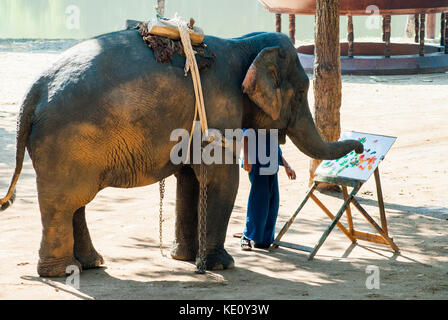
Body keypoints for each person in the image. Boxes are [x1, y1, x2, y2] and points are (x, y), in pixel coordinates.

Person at [240, 129, 296, 251]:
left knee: (272, 203)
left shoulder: (273, 123)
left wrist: (287, 165)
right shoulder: (256, 113)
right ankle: (247, 236)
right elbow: (245, 135)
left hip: (271, 164)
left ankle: (263, 238)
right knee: (259, 200)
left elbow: (275, 146)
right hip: (257, 163)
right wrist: (246, 158)